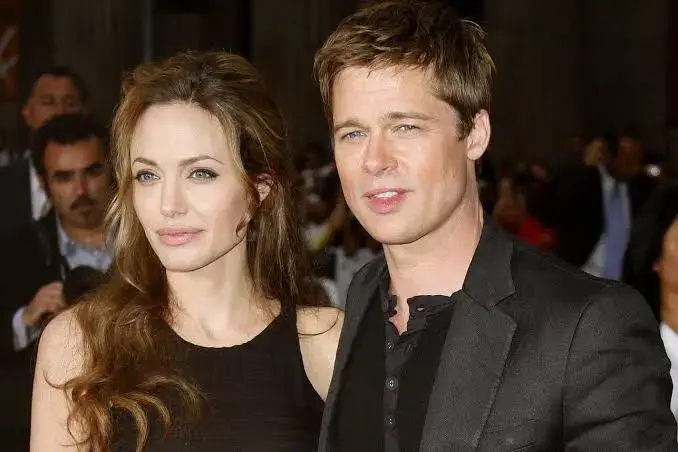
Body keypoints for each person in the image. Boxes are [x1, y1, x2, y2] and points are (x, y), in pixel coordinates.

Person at [313, 1, 676, 450]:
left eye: (405, 127)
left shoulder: (590, 327)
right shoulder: (365, 293)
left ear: (475, 133)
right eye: (353, 133)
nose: (374, 160)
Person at [32, 51, 342, 451]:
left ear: (258, 191)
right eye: (148, 175)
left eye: (200, 173)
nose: (169, 205)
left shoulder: (325, 341)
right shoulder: (81, 345)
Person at [0, 65, 87, 237]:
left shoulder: (107, 185)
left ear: (84, 111)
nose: (60, 112)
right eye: (48, 102)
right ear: (27, 112)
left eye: (70, 103)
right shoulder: (4, 183)